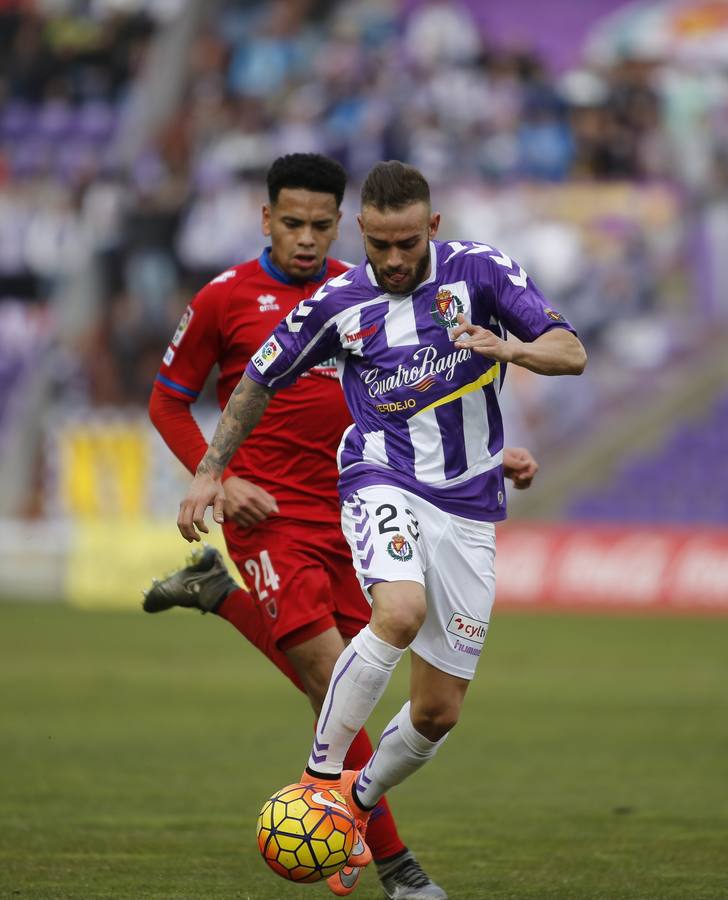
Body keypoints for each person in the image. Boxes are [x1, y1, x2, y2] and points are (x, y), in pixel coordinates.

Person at [169, 158, 554, 896]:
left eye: (322, 225)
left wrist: (484, 453)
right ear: (266, 220)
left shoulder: (430, 280)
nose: (311, 240)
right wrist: (213, 471)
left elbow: (421, 392)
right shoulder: (244, 299)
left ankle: (345, 798)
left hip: (407, 505)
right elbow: (197, 394)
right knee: (361, 643)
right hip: (285, 510)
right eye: (294, 224)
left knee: (429, 706)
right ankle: (375, 843)